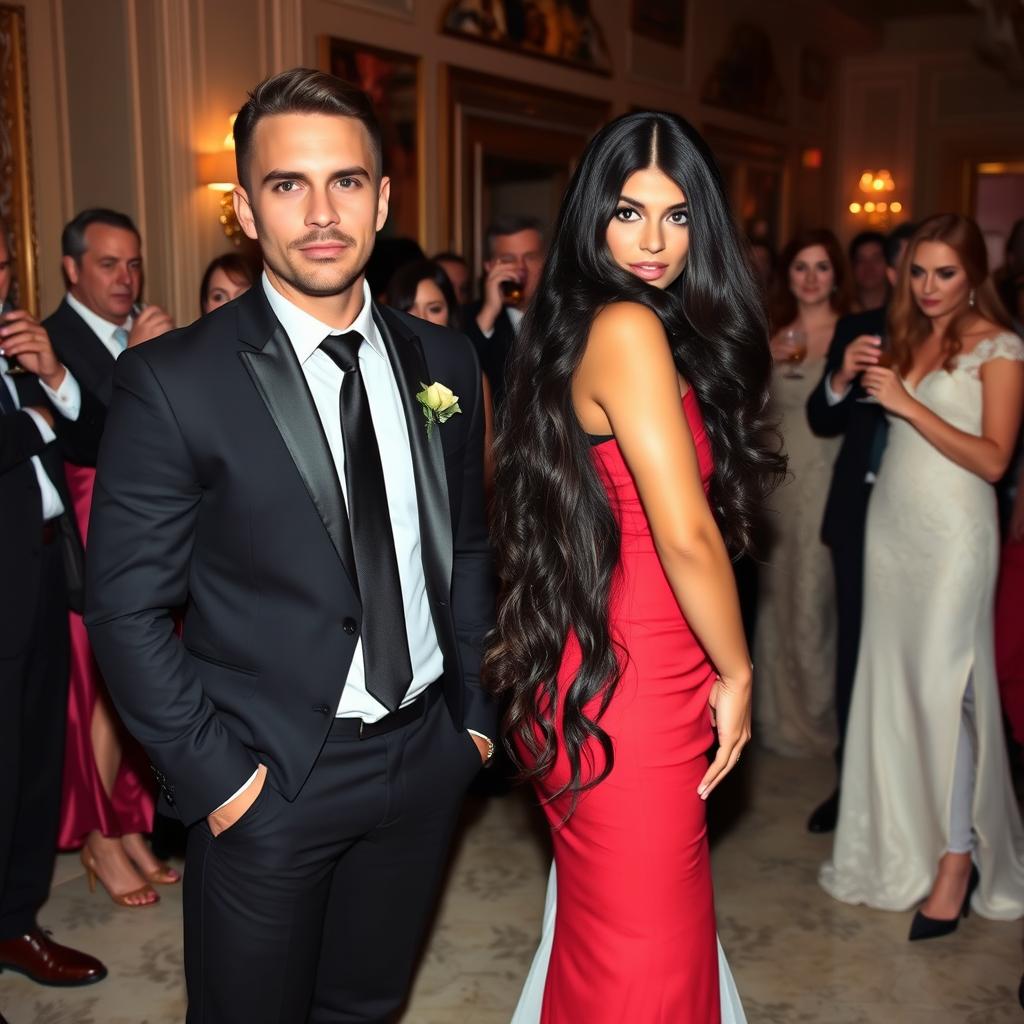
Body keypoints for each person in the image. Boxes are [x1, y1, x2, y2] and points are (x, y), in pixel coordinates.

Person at [84, 67, 495, 1022]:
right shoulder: (174, 381)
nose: (320, 212)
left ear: (384, 200)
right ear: (244, 209)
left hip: (427, 756)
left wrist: (473, 718)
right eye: (286, 185)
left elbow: (469, 548)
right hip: (271, 776)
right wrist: (222, 780)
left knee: (365, 1007)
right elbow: (125, 608)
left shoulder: (443, 359)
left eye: (345, 181)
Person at [487, 110, 784, 1021]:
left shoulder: (588, 321)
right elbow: (686, 534)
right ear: (591, 216)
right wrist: (738, 672)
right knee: (643, 965)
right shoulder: (624, 327)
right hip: (635, 685)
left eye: (678, 214)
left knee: (618, 938)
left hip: (599, 663)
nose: (654, 241)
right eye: (628, 212)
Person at [819, 214, 1024, 935]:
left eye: (947, 274)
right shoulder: (905, 336)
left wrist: (906, 403)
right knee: (899, 688)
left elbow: (996, 458)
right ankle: (900, 838)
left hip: (957, 537)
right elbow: (837, 414)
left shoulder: (1001, 348)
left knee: (954, 693)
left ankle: (958, 859)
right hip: (892, 530)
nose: (930, 287)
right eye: (919, 272)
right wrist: (853, 379)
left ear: (975, 277)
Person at [44, 209, 177, 907]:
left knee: (133, 685)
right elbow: (85, 441)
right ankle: (96, 836)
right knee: (93, 693)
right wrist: (135, 364)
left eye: (133, 264)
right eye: (107, 264)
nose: (125, 279)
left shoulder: (135, 332)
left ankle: (126, 825)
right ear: (71, 268)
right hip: (83, 535)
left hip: (143, 530)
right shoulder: (46, 337)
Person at [0, 219, 107, 987]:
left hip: (41, 577)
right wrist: (28, 423)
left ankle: (15, 924)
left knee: (34, 769)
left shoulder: (20, 342)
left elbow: (94, 437)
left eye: (3, 263)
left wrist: (57, 379)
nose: (0, 279)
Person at [803, 222, 916, 834]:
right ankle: (852, 782)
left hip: (930, 518)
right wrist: (841, 378)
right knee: (854, 649)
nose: (915, 281)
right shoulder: (858, 329)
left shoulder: (960, 340)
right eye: (909, 268)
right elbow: (823, 417)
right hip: (859, 513)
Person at [754, 228, 850, 759]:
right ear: (786, 275)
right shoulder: (773, 331)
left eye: (822, 267)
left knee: (816, 601)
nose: (811, 278)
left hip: (826, 478)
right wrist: (761, 361)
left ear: (837, 274)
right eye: (800, 268)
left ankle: (818, 723)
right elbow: (748, 410)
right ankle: (774, 722)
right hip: (776, 483)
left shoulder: (852, 333)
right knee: (776, 601)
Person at [388, 259, 496, 495]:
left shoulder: (470, 375)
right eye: (409, 309)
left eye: (434, 308)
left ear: (451, 312)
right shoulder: (379, 374)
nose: (421, 319)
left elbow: (487, 470)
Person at [462, 214, 543, 408]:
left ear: (546, 261)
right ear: (490, 267)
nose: (521, 269)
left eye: (530, 257)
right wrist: (489, 312)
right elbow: (460, 378)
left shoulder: (567, 314)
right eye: (509, 259)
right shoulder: (470, 318)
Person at [849, 229, 889, 312]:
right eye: (861, 260)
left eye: (876, 259)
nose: (869, 268)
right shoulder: (842, 310)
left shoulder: (901, 309)